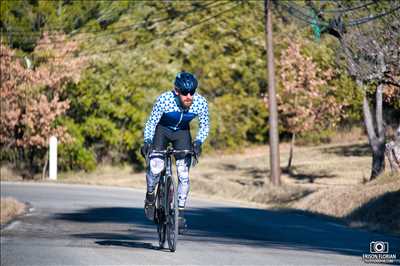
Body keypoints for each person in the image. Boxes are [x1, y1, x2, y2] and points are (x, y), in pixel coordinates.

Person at [141, 71, 209, 228]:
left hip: (182, 133)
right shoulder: (164, 100)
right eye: (185, 93)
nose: (189, 96)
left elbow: (205, 125)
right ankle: (151, 195)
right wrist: (147, 141)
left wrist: (198, 142)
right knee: (156, 167)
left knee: (183, 175)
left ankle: (180, 212)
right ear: (176, 91)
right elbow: (151, 123)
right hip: (162, 130)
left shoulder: (200, 103)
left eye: (193, 91)